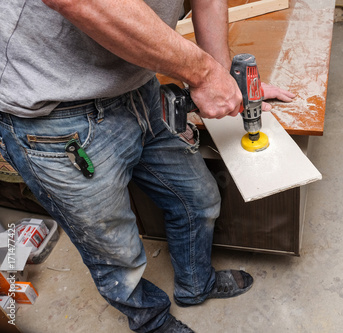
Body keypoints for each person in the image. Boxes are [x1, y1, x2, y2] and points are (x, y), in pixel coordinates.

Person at [0, 0, 295, 332]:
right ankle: (151, 321)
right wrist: (204, 73)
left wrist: (224, 77)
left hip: (141, 87)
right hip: (57, 115)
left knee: (198, 200)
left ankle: (195, 285)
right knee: (115, 251)